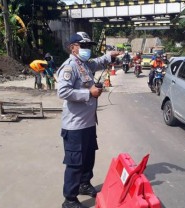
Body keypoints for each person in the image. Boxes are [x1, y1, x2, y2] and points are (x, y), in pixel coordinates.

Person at [57, 32, 121, 208]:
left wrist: (110, 56)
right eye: (83, 46)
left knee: (88, 158)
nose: (87, 50)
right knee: (75, 163)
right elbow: (62, 92)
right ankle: (69, 199)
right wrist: (88, 93)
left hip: (88, 123)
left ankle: (84, 184)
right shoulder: (70, 67)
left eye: (89, 46)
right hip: (75, 125)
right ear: (73, 48)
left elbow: (98, 62)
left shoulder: (84, 64)